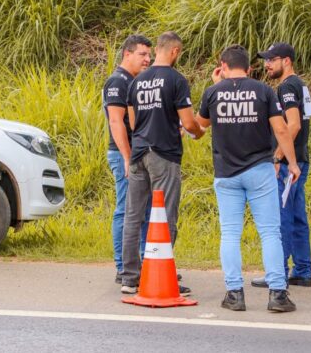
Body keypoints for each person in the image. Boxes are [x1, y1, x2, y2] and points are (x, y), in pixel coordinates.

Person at [196, 45, 300, 312]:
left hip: (226, 173)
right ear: (249, 68)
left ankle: (234, 294)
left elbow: (199, 127)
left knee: (230, 234)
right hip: (260, 170)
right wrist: (291, 162)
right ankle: (278, 294)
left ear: (222, 65)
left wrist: (217, 86)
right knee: (269, 233)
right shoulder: (263, 91)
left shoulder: (213, 92)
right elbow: (281, 128)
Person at [119, 31, 204, 295]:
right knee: (166, 216)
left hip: (139, 153)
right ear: (175, 52)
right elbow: (189, 122)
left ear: (157, 49)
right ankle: (161, 272)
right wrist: (198, 132)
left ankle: (129, 278)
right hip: (164, 154)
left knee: (133, 215)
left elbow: (133, 123)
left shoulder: (136, 81)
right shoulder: (177, 80)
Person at [252, 43, 311, 288]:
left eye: (272, 59)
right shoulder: (300, 84)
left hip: (290, 163)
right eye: (265, 60)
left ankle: (278, 272)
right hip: (300, 159)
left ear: (286, 61)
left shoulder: (287, 86)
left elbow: (294, 124)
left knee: (282, 216)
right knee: (298, 216)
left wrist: (278, 156)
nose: (267, 64)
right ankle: (302, 270)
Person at [102, 34, 152, 284]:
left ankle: (144, 264)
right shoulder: (118, 81)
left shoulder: (135, 81)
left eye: (149, 55)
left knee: (142, 211)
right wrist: (126, 157)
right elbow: (115, 121)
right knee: (126, 210)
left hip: (139, 153)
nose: (148, 59)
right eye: (142, 54)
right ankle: (123, 267)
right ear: (127, 54)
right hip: (124, 153)